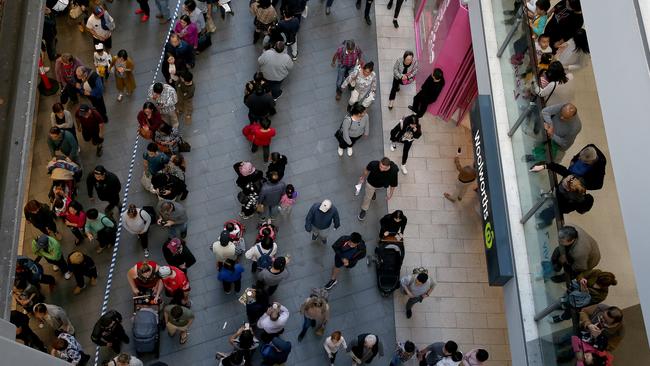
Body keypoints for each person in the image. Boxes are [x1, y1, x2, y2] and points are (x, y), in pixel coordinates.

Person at [535, 269, 617, 323]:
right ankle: (562, 306)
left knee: (568, 312)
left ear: (604, 286)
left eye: (598, 284)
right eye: (596, 280)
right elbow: (581, 274)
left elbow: (586, 304)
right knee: (563, 301)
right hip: (571, 291)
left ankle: (561, 318)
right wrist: (581, 279)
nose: (595, 283)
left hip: (576, 303)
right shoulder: (596, 273)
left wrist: (584, 292)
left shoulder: (602, 295)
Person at [532, 144, 606, 190]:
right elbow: (564, 171)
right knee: (563, 182)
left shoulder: (600, 166)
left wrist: (579, 183)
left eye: (582, 160)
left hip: (577, 179)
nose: (579, 159)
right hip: (571, 172)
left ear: (590, 162)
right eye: (580, 157)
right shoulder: (591, 148)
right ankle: (557, 190)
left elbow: (598, 185)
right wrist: (574, 160)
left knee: (565, 187)